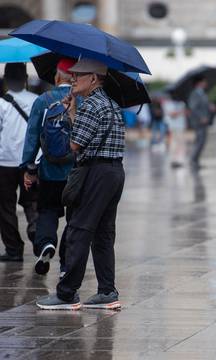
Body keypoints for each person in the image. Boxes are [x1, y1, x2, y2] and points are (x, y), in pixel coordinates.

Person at [36, 58, 125, 310]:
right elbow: (90, 136)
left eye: (78, 75)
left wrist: (67, 117)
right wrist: (74, 111)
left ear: (93, 79)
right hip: (114, 172)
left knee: (79, 230)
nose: (72, 78)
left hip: (96, 173)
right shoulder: (110, 104)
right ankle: (107, 291)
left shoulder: (92, 105)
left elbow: (74, 145)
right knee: (104, 234)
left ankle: (66, 293)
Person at [21, 58, 76, 276]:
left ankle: (45, 243)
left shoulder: (43, 100)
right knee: (74, 218)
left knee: (47, 211)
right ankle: (66, 265)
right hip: (75, 172)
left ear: (57, 77)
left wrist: (29, 168)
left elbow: (32, 136)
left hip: (49, 170)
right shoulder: (81, 100)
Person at [0, 62, 38, 262]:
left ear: (6, 79)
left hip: (4, 162)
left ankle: (14, 250)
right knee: (32, 203)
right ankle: (39, 240)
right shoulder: (37, 100)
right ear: (25, 79)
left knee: (6, 207)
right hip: (30, 162)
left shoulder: (1, 103)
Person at [188, 75, 211, 169]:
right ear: (199, 83)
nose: (205, 83)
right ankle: (193, 161)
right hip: (199, 122)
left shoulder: (202, 94)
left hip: (204, 122)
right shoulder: (195, 94)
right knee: (199, 141)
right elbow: (193, 107)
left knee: (202, 141)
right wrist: (201, 117)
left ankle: (196, 161)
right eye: (204, 81)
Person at [163, 94, 188, 168]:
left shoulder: (182, 103)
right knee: (173, 144)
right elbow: (171, 114)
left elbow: (184, 113)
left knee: (181, 144)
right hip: (172, 126)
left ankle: (180, 160)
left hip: (181, 126)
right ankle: (173, 160)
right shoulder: (168, 104)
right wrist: (180, 112)